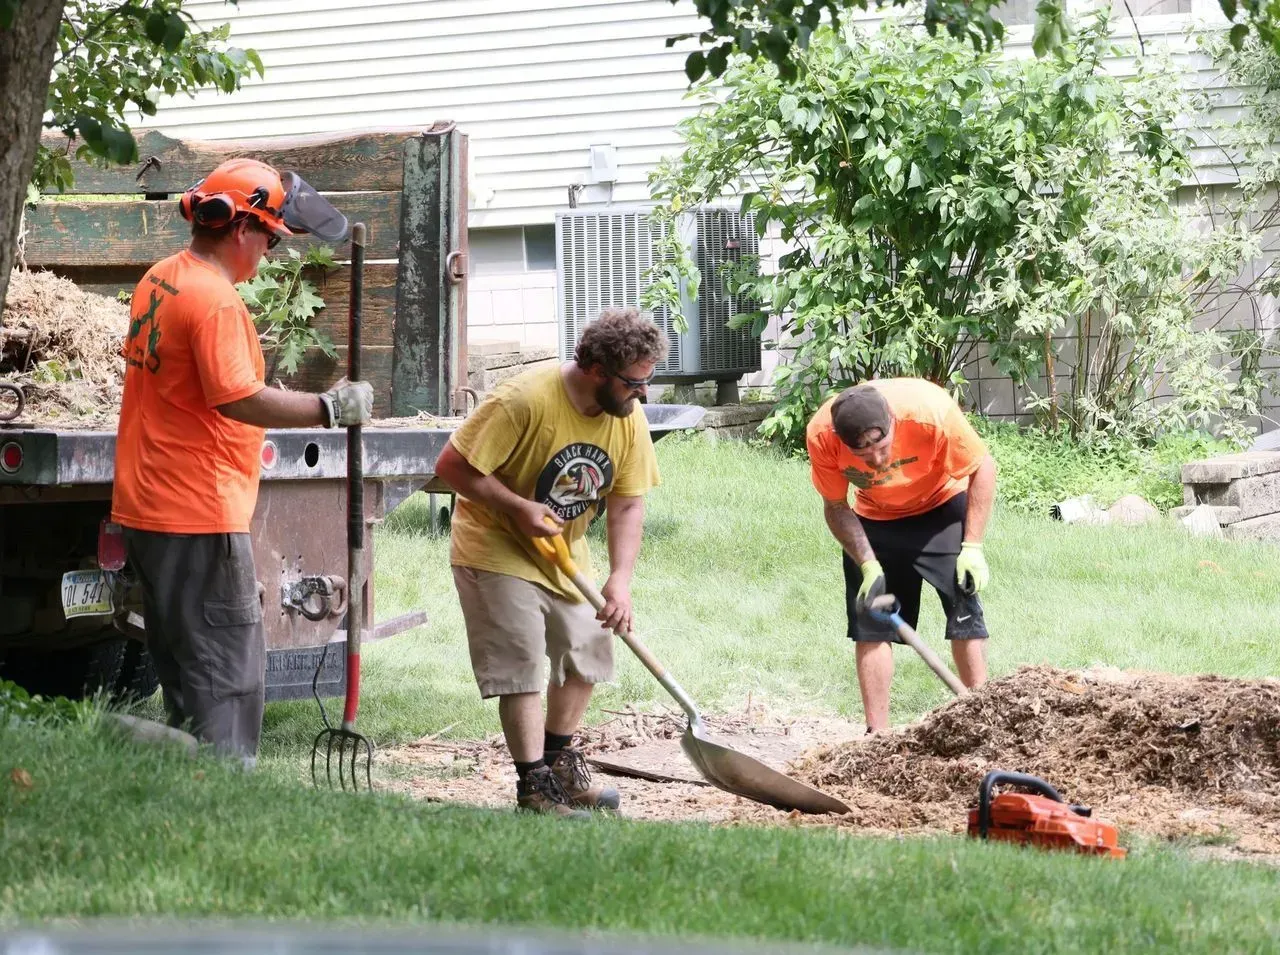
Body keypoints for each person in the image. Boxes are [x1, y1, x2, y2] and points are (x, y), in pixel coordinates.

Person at [110, 158, 373, 766]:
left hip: (151, 506)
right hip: (198, 514)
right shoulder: (216, 302)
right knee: (227, 683)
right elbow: (239, 398)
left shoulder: (162, 277)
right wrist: (329, 408)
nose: (270, 253)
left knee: (186, 676)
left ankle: (173, 783)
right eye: (270, 238)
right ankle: (220, 791)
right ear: (240, 229)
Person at [434, 307, 668, 818]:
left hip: (564, 552)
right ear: (597, 371)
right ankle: (534, 786)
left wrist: (620, 579)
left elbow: (628, 501)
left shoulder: (627, 419)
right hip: (495, 545)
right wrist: (517, 506)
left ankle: (560, 761)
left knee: (587, 647)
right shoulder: (524, 400)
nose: (643, 394)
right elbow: (451, 467)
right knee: (521, 665)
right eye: (634, 383)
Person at [806, 378, 997, 734]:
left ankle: (981, 721)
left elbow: (982, 467)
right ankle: (876, 736)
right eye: (863, 455)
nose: (876, 461)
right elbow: (835, 505)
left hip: (940, 503)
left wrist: (972, 546)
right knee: (871, 626)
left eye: (882, 446)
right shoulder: (821, 435)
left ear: (892, 420)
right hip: (874, 516)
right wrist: (868, 563)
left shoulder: (930, 411)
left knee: (964, 611)